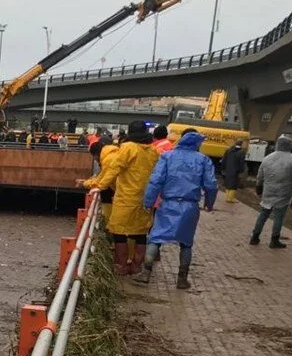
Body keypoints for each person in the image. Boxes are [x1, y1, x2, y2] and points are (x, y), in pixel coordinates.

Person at [133, 131, 218, 290]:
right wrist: (209, 203)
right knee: (186, 243)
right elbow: (211, 185)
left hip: (168, 204)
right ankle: (182, 279)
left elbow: (155, 181)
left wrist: (149, 201)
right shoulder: (203, 160)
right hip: (190, 206)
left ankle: (145, 273)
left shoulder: (167, 157)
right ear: (196, 144)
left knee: (156, 237)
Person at [80, 121, 158, 274]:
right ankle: (136, 266)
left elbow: (114, 169)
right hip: (145, 198)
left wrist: (99, 186)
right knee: (140, 233)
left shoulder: (128, 148)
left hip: (126, 197)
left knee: (119, 231)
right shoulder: (153, 151)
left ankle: (121, 265)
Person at [250, 135, 292, 248]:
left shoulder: (268, 158)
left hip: (268, 190)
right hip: (284, 191)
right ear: (290, 146)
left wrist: (259, 187)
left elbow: (260, 175)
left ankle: (255, 236)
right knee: (279, 216)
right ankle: (274, 239)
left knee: (263, 213)